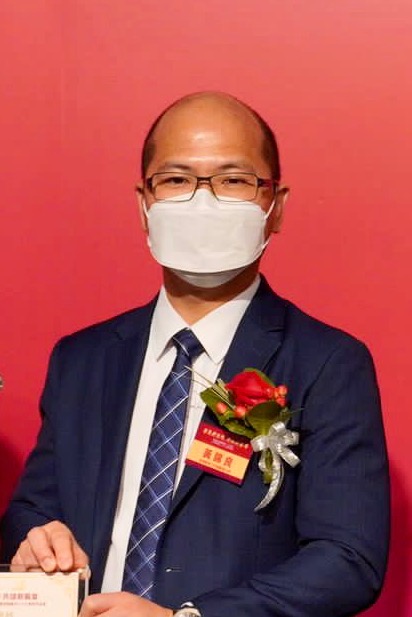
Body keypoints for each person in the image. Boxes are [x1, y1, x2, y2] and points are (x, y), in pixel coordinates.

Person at [1, 92, 390, 617]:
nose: (202, 201)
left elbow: (346, 559)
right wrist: (37, 539)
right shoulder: (81, 360)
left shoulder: (328, 363)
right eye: (176, 179)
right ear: (144, 204)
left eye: (234, 180)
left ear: (275, 206)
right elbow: (33, 509)